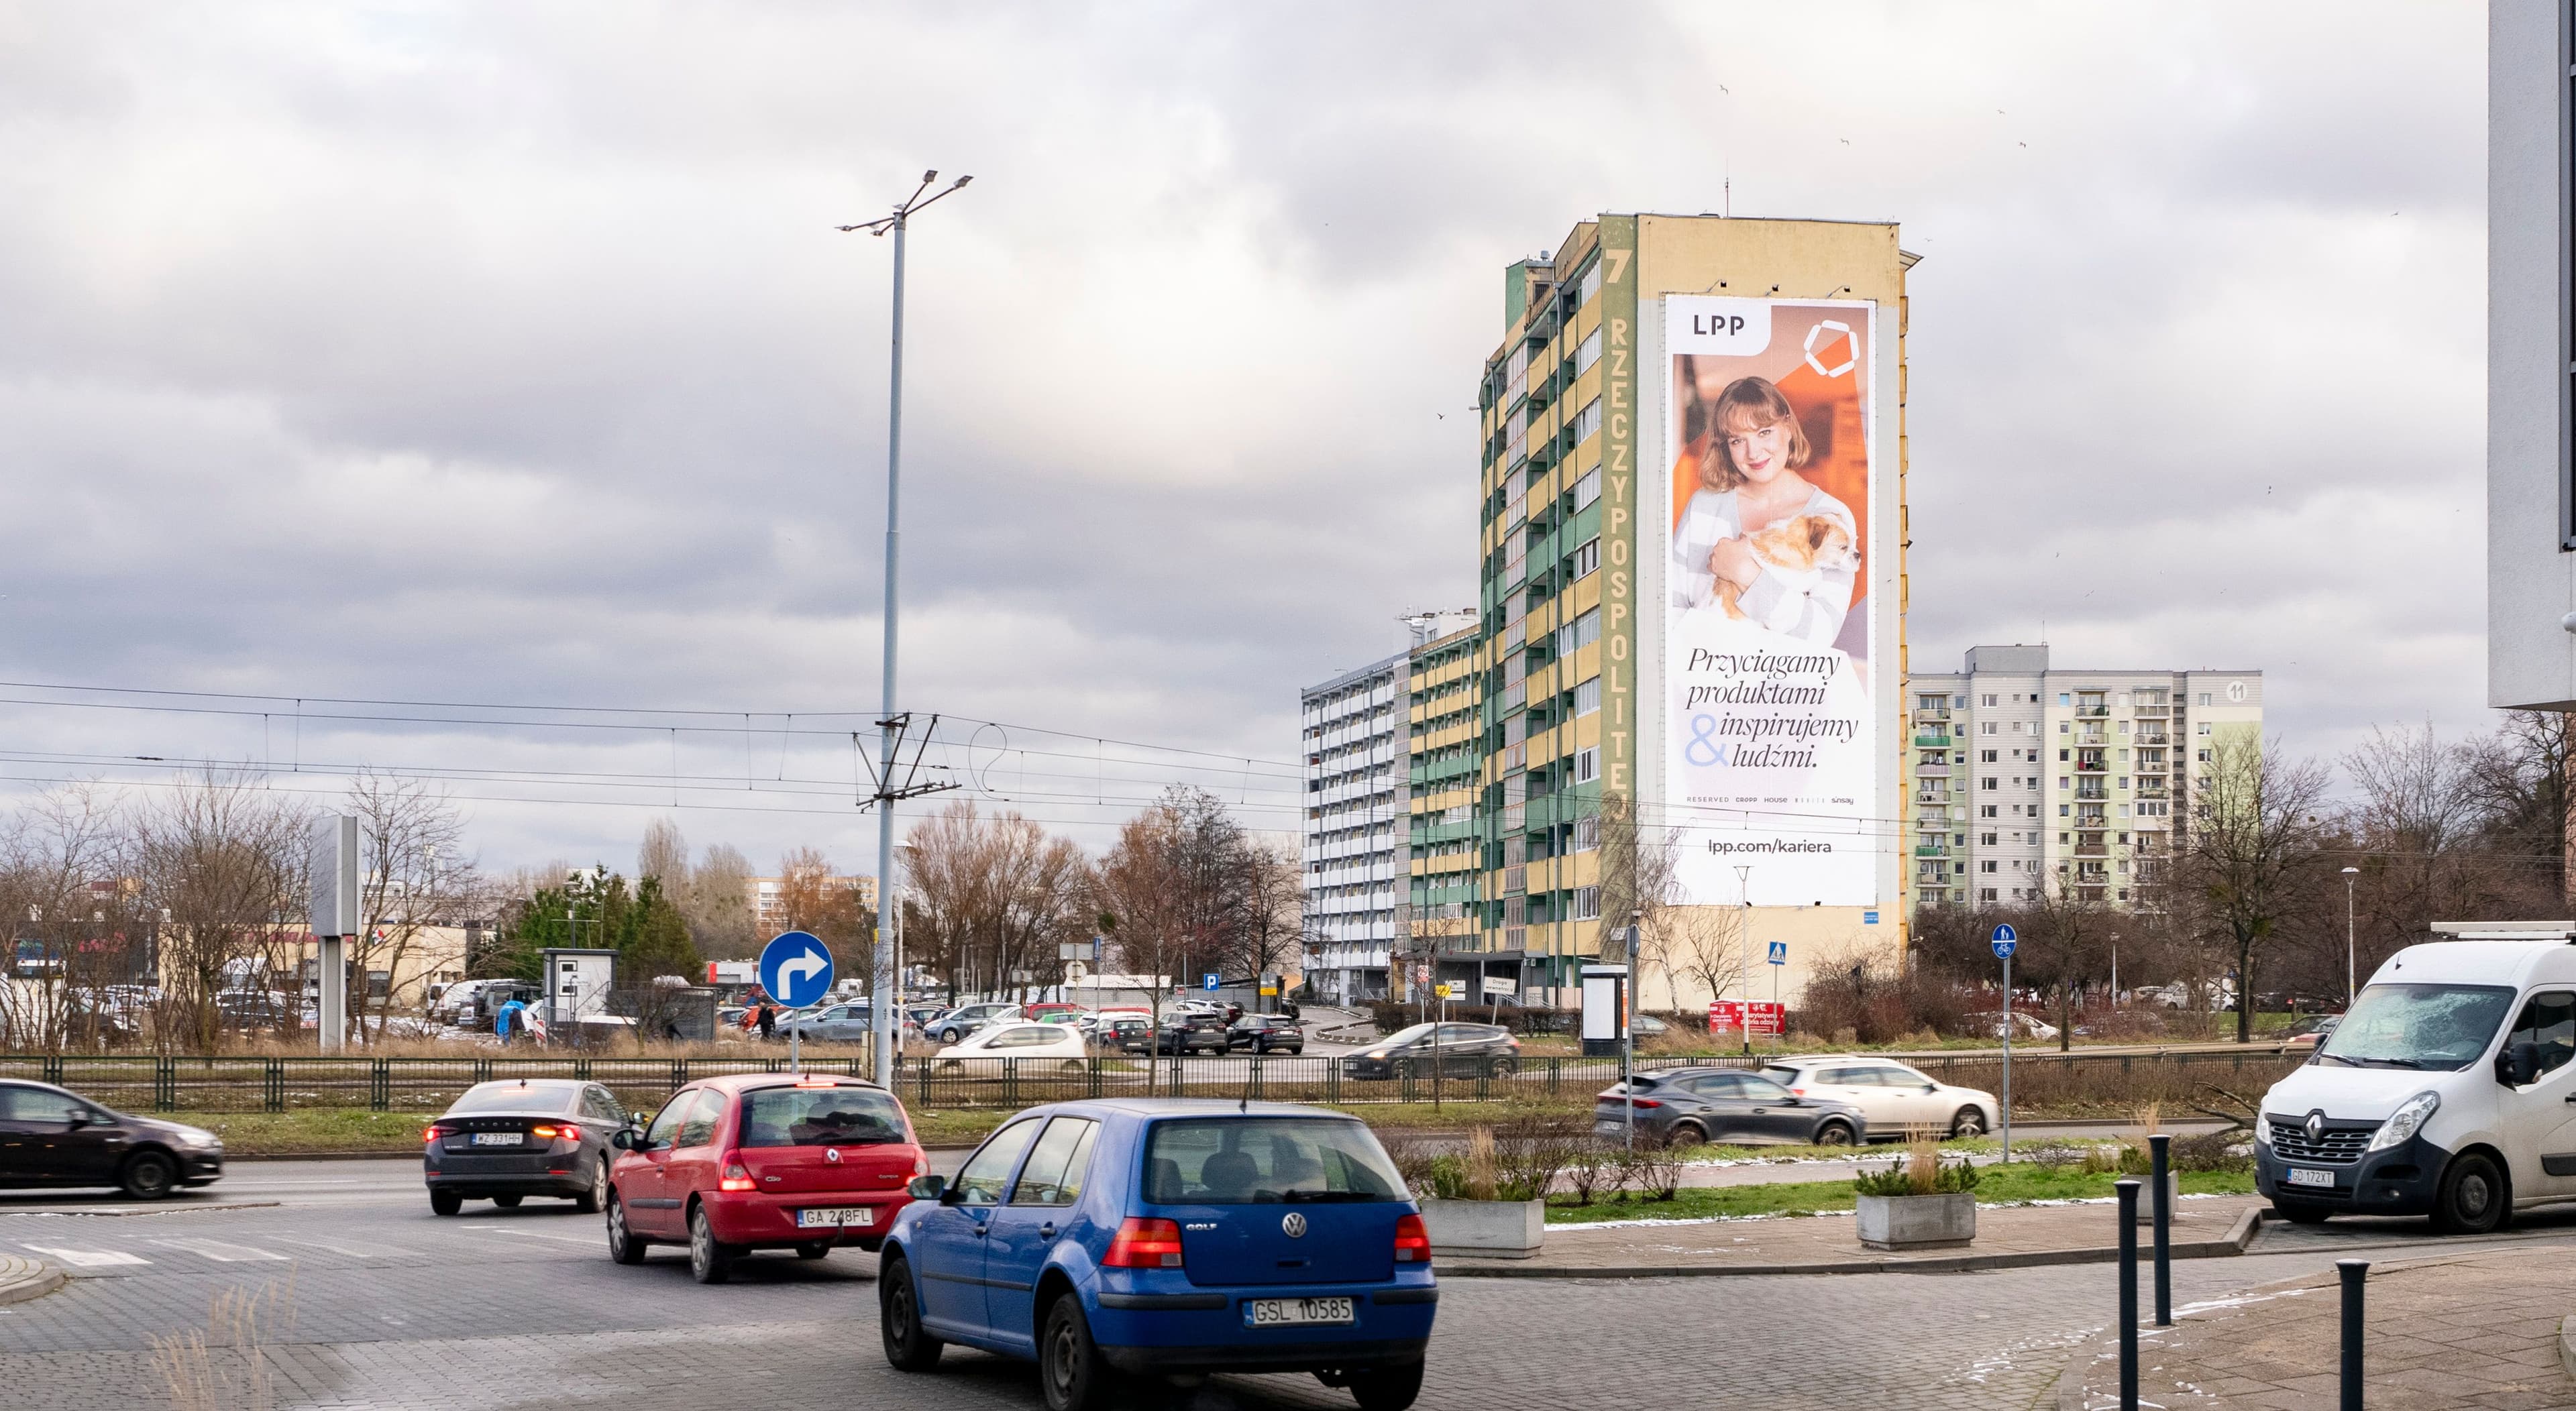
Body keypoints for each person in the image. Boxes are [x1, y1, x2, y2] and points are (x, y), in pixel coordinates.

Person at [1668, 374, 1858, 645]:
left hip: (1783, 686)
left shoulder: (1831, 516)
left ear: (1789, 427)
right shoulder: (1703, 507)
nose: (1753, 453)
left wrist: (1746, 574)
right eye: (1737, 440)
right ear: (1726, 446)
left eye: (1764, 432)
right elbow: (1671, 614)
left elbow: (1819, 636)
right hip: (1703, 683)